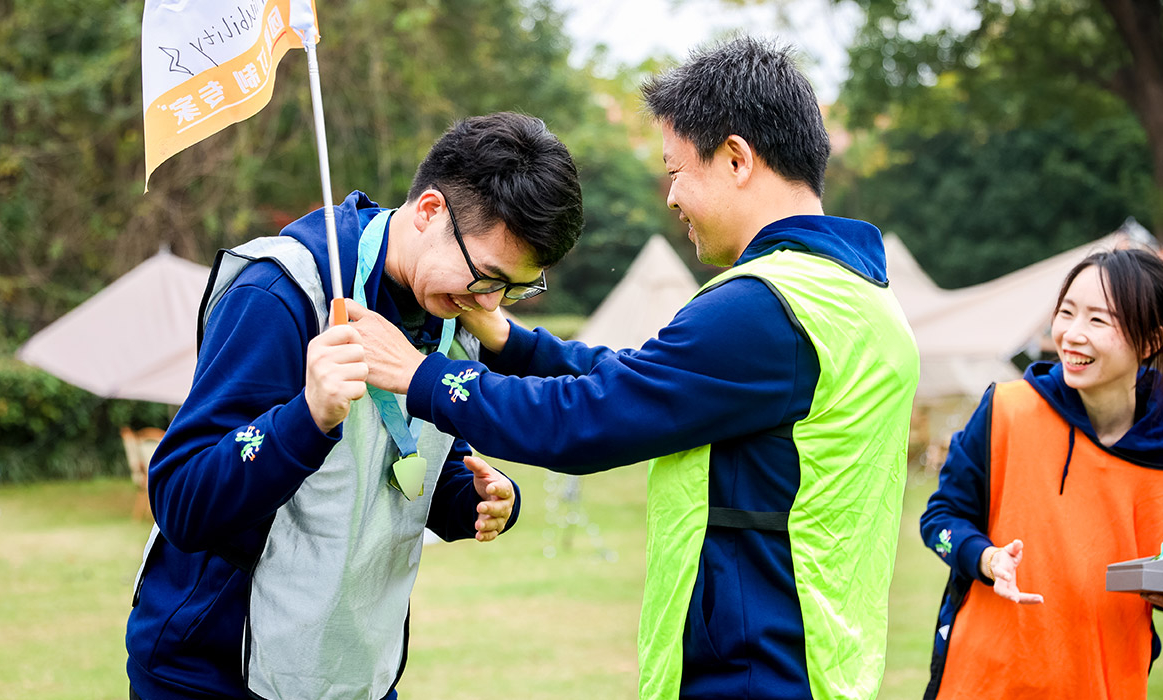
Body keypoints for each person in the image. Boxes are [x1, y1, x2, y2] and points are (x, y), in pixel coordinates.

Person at [348, 37, 920, 700]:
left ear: (736, 159)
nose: (671, 196)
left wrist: (419, 375)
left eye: (676, 170)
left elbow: (585, 421)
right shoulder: (857, 296)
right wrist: (514, 344)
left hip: (751, 675)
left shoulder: (764, 308)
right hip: (822, 665)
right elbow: (650, 381)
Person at [125, 112, 585, 700]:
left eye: (516, 288)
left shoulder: (456, 309)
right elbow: (181, 501)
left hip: (350, 673)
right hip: (211, 673)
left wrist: (471, 498)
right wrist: (307, 418)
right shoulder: (279, 291)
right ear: (430, 211)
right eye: (488, 277)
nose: (492, 305)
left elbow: (409, 467)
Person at [919, 247, 1163, 700]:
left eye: (1098, 320)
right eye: (1066, 312)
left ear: (1150, 341)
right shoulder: (1007, 410)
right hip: (983, 684)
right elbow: (939, 522)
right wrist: (985, 558)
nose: (1072, 334)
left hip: (1107, 684)